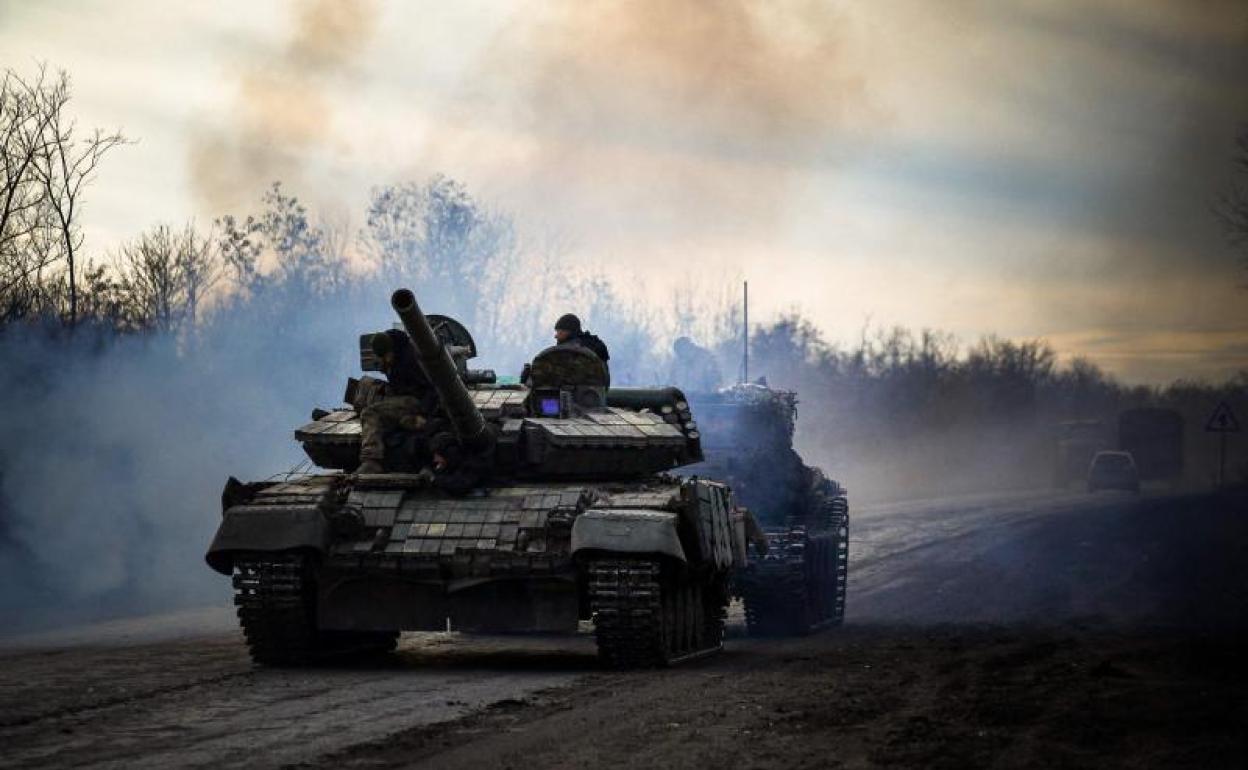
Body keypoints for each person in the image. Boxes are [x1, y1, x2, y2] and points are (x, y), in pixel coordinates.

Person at [356, 330, 439, 474]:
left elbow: (432, 389)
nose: (386, 360)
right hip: (404, 398)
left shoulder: (411, 360)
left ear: (392, 349)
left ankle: (371, 460)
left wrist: (424, 414)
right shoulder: (396, 356)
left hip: (415, 401)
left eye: (387, 356)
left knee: (370, 413)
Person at [553, 313, 611, 381]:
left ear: (567, 332)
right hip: (598, 389)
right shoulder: (593, 344)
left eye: (559, 332)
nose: (556, 336)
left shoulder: (567, 349)